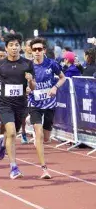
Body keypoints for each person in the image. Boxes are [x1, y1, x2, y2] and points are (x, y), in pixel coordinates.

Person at [0, 33, 36, 179]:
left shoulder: (27, 64)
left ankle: (2, 142)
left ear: (20, 47)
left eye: (16, 45)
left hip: (21, 104)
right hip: (5, 104)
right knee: (13, 134)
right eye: (11, 45)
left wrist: (30, 81)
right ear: (6, 48)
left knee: (11, 133)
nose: (14, 48)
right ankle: (13, 167)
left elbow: (33, 87)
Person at [28, 38, 66, 179]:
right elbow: (27, 87)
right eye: (34, 49)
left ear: (44, 50)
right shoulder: (28, 66)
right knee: (38, 135)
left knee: (46, 138)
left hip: (50, 103)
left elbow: (63, 78)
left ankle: (38, 139)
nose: (37, 52)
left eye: (39, 49)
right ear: (31, 51)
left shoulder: (52, 64)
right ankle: (44, 169)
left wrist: (55, 87)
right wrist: (28, 86)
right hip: (34, 104)